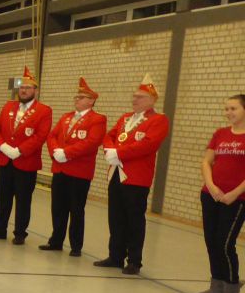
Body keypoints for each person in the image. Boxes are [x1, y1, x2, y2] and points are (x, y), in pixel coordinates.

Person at [93, 74, 171, 275]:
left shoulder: (158, 120)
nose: (135, 99)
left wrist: (119, 153)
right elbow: (109, 136)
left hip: (136, 178)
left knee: (134, 219)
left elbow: (148, 145)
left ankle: (134, 261)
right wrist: (109, 150)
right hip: (116, 174)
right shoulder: (125, 117)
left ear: (152, 100)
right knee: (115, 216)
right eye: (134, 96)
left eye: (140, 97)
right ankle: (115, 256)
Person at [0, 67, 53, 245]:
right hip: (5, 160)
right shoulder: (8, 106)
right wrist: (2, 146)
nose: (23, 90)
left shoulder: (43, 111)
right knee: (3, 198)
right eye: (22, 87)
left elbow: (40, 136)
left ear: (35, 91)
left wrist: (20, 150)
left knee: (23, 200)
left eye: (28, 88)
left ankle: (20, 233)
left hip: (26, 162)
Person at [40, 77, 106, 257]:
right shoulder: (66, 117)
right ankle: (56, 241)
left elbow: (92, 142)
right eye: (76, 96)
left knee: (76, 209)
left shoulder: (98, 119)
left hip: (79, 172)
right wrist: (55, 151)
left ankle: (76, 245)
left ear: (91, 101)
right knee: (58, 207)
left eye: (81, 97)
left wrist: (67, 152)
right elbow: (51, 136)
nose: (76, 99)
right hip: (60, 169)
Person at [194, 94, 245, 293]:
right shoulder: (220, 133)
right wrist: (211, 186)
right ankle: (216, 285)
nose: (228, 112)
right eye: (226, 109)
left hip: (236, 198)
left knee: (224, 243)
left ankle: (231, 288)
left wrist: (235, 192)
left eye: (233, 108)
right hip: (211, 195)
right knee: (211, 241)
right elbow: (207, 161)